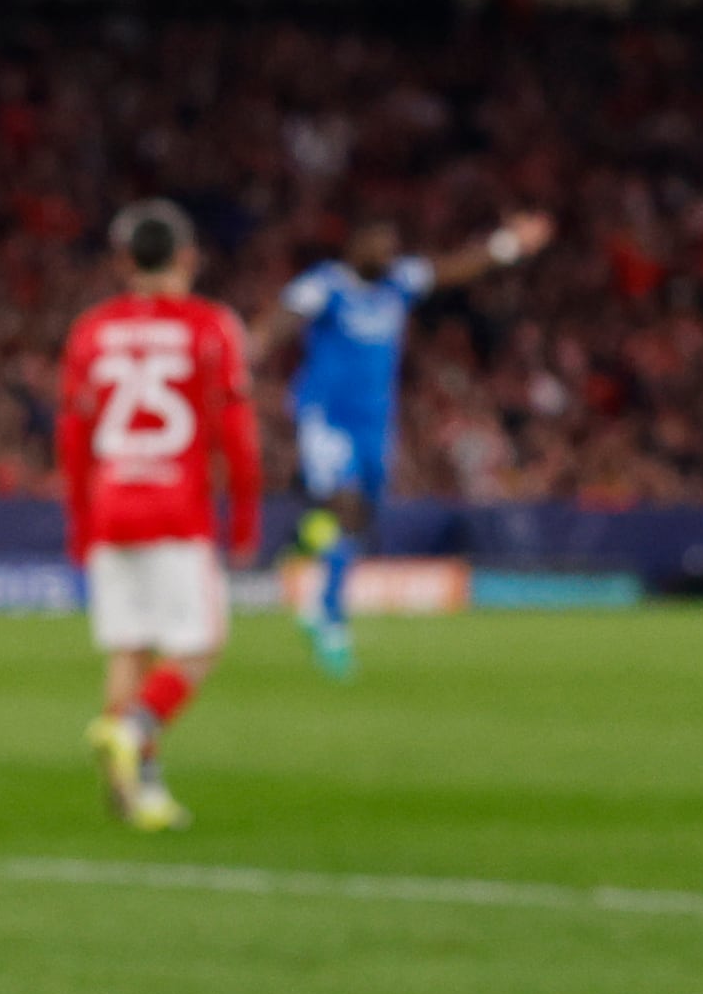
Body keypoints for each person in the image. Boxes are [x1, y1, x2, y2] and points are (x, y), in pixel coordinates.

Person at [265, 208, 548, 676]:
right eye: (377, 244)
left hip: (376, 423)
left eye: (391, 246)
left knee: (362, 517)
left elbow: (454, 267)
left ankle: (312, 559)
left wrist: (509, 245)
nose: (386, 254)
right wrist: (249, 347)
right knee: (347, 505)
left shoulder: (398, 281)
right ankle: (330, 618)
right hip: (327, 419)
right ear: (355, 247)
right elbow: (282, 318)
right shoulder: (325, 285)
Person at [55, 199, 256, 832]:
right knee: (200, 646)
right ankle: (134, 728)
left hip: (112, 504)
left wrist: (80, 520)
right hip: (177, 508)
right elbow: (236, 432)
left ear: (124, 262)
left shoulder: (92, 329)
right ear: (188, 257)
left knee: (129, 649)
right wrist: (245, 519)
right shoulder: (211, 326)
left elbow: (73, 434)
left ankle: (134, 794)